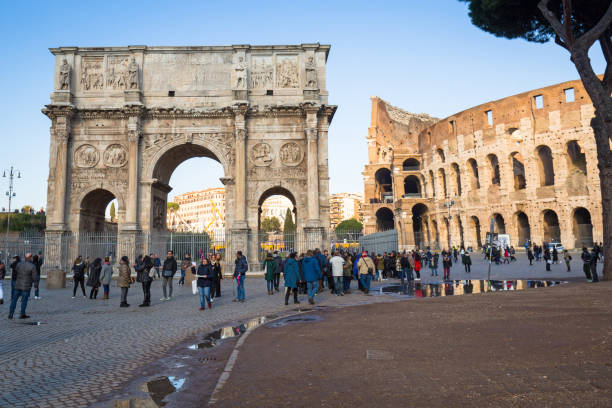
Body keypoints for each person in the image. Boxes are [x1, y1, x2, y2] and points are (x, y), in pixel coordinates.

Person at [8, 253, 37, 319]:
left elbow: (16, 271)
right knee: (24, 301)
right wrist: (36, 286)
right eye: (31, 257)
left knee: (14, 300)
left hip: (18, 285)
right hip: (26, 286)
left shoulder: (19, 264)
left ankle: (11, 313)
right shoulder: (32, 266)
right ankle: (22, 314)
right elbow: (35, 277)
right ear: (30, 258)